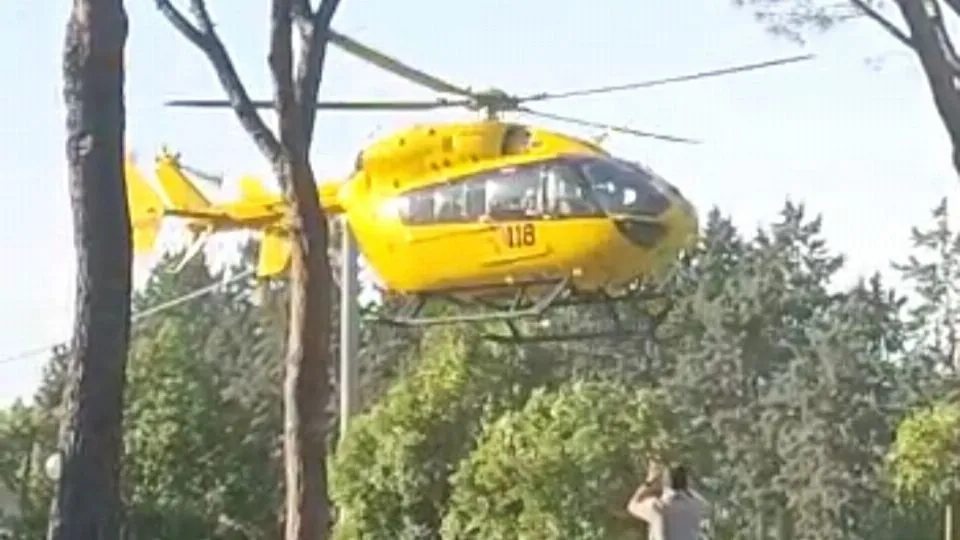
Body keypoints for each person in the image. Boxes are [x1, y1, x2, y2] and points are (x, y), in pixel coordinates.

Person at [626, 462, 708, 540]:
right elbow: (696, 496)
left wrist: (648, 482)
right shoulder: (695, 506)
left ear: (663, 483)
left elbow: (632, 505)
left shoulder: (657, 507)